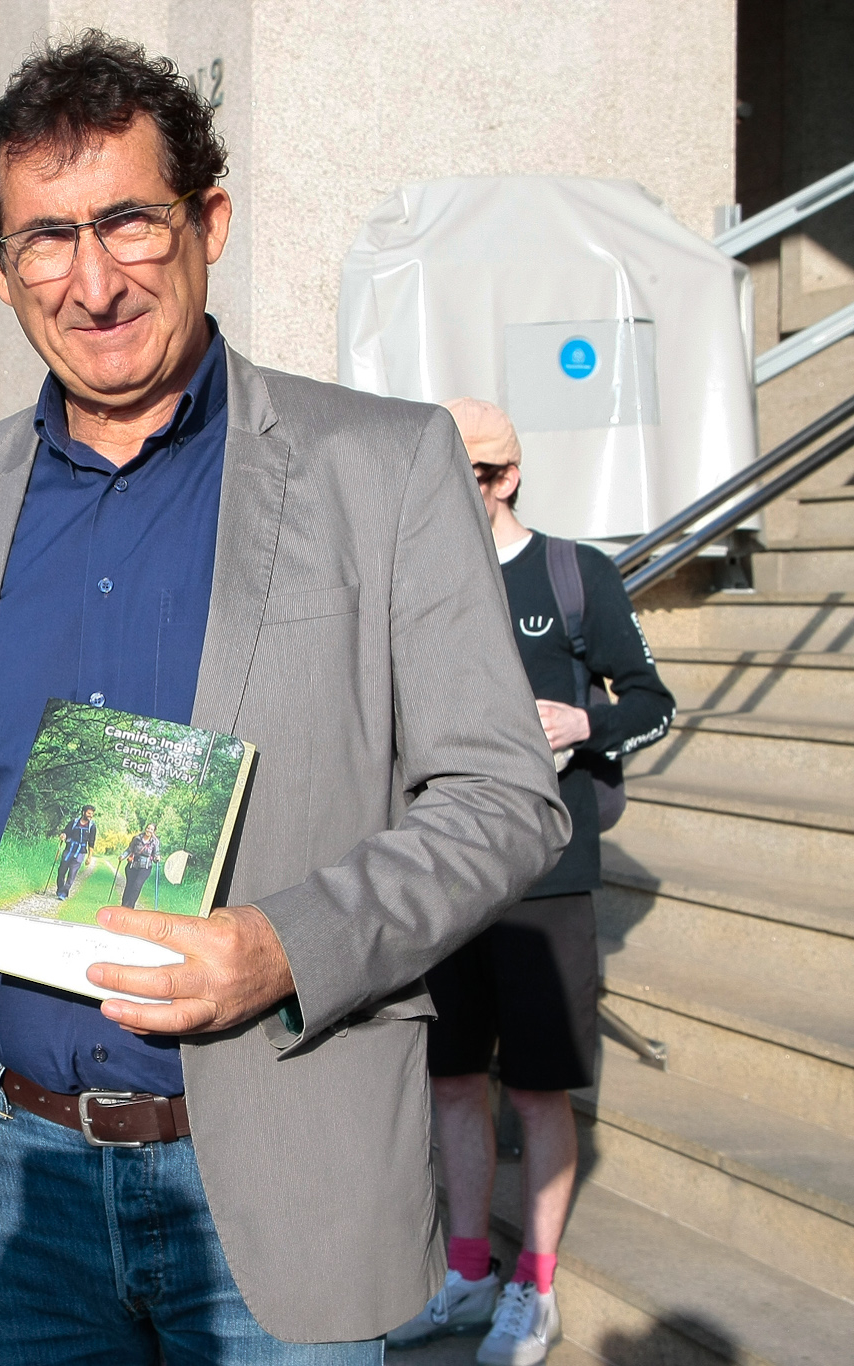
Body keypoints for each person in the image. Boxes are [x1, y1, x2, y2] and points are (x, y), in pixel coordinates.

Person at [0, 32, 568, 1363]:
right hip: (13, 1188)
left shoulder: (385, 468)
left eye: (129, 221)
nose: (93, 281)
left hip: (284, 1180)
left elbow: (503, 796)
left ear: (209, 223)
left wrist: (286, 944)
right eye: (45, 239)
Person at [388, 399, 674, 1366]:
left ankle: (536, 1287)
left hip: (548, 877)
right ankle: (469, 1270)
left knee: (540, 1091)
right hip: (444, 872)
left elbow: (653, 701)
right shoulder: (423, 572)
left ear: (503, 478)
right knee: (454, 1079)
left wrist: (585, 723)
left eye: (460, 477)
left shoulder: (573, 572)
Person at [55, 804, 98, 897]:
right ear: (83, 812)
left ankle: (63, 893)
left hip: (80, 852)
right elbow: (66, 832)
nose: (90, 815)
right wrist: (63, 835)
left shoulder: (92, 827)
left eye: (92, 814)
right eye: (89, 813)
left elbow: (91, 842)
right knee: (61, 871)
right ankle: (60, 889)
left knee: (72, 873)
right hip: (69, 850)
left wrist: (89, 857)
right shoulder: (73, 822)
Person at [121, 823, 160, 908]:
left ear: (154, 832)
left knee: (137, 885)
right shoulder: (137, 838)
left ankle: (130, 906)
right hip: (133, 865)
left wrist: (157, 858)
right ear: (145, 828)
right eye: (148, 828)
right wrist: (123, 856)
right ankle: (123, 905)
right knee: (129, 885)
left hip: (145, 867)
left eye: (151, 829)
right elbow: (129, 849)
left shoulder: (155, 842)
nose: (149, 830)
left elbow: (155, 854)